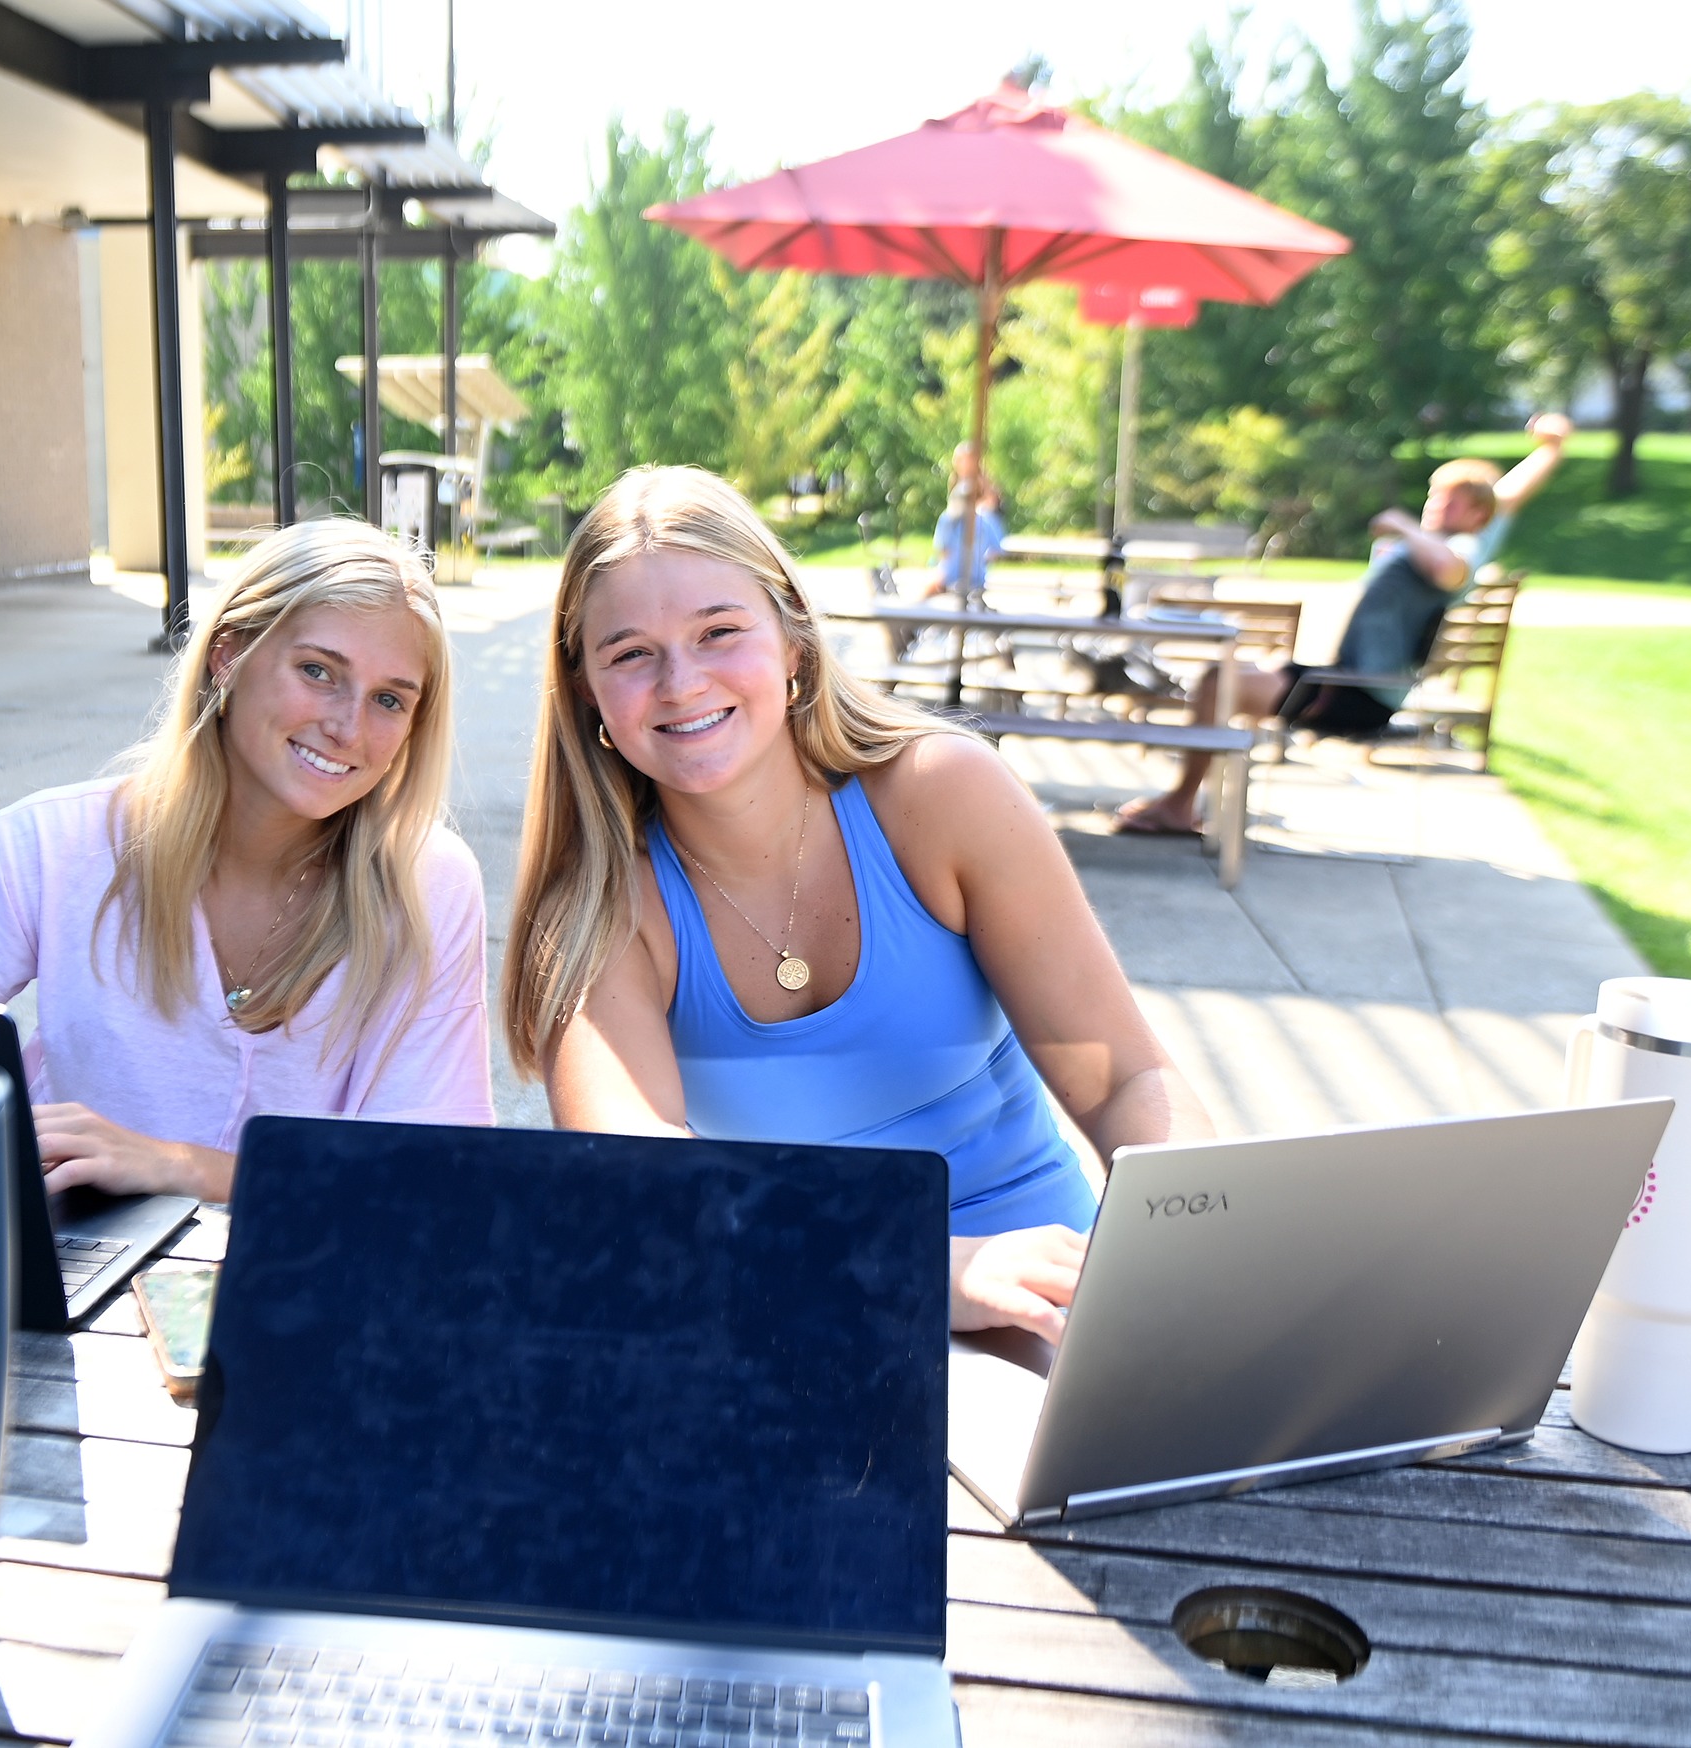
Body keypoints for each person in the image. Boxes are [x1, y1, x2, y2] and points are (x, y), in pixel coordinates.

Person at [503, 466, 1212, 1338]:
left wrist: (1196, 1228)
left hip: (1040, 1281)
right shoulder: (600, 910)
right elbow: (651, 1202)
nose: (680, 682)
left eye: (718, 631)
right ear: (588, 693)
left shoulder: (940, 797)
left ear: (793, 642)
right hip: (789, 1300)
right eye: (630, 654)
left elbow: (1122, 1078)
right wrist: (928, 1268)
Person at [0, 519, 494, 1201]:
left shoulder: (428, 885)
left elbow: (433, 1180)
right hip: (77, 1272)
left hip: (300, 1282)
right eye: (317, 671)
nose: (348, 726)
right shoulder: (49, 846)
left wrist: (183, 1168)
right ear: (228, 657)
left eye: (389, 699)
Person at [1116, 414, 1572, 835]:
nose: (1439, 506)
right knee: (1233, 673)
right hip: (1342, 681)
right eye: (1437, 496)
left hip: (1358, 695)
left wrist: (1402, 526)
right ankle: (1196, 801)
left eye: (1453, 502)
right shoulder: (1447, 538)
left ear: (1477, 515)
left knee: (1219, 683)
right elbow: (1504, 497)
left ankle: (1180, 805)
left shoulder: (1461, 548)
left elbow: (1452, 568)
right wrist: (1551, 448)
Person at [927, 442, 1005, 600]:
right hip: (971, 565)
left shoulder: (982, 485)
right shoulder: (956, 482)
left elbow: (943, 549)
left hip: (964, 569)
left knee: (932, 584)